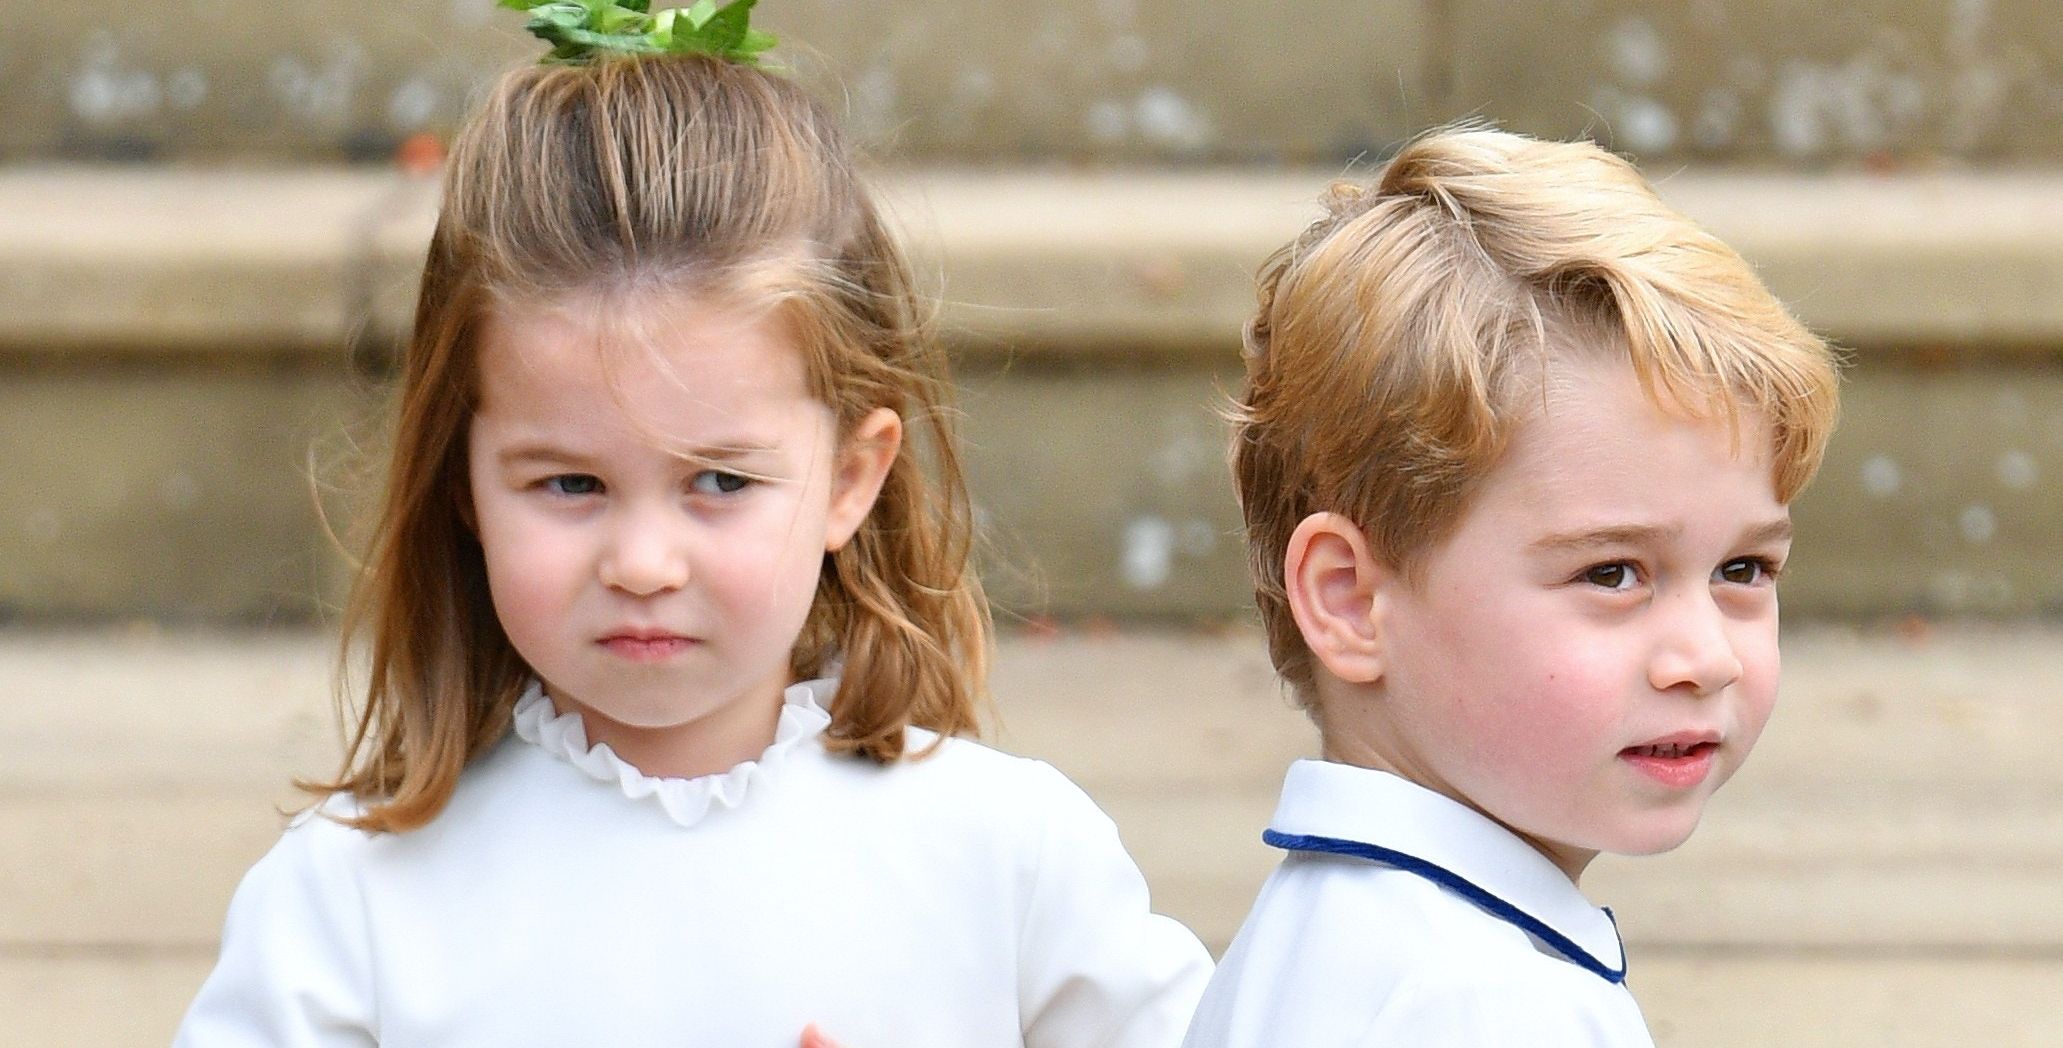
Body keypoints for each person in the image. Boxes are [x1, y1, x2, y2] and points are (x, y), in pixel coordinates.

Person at [173, 8, 1209, 1046]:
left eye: (716, 479)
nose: (641, 562)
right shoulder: (348, 904)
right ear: (462, 484)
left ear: (852, 477)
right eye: (568, 484)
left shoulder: (1010, 861)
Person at [1182, 126, 1841, 1046]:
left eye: (1742, 570)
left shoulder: (1330, 938)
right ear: (1348, 600)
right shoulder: (1486, 1004)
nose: (1705, 656)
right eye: (1611, 573)